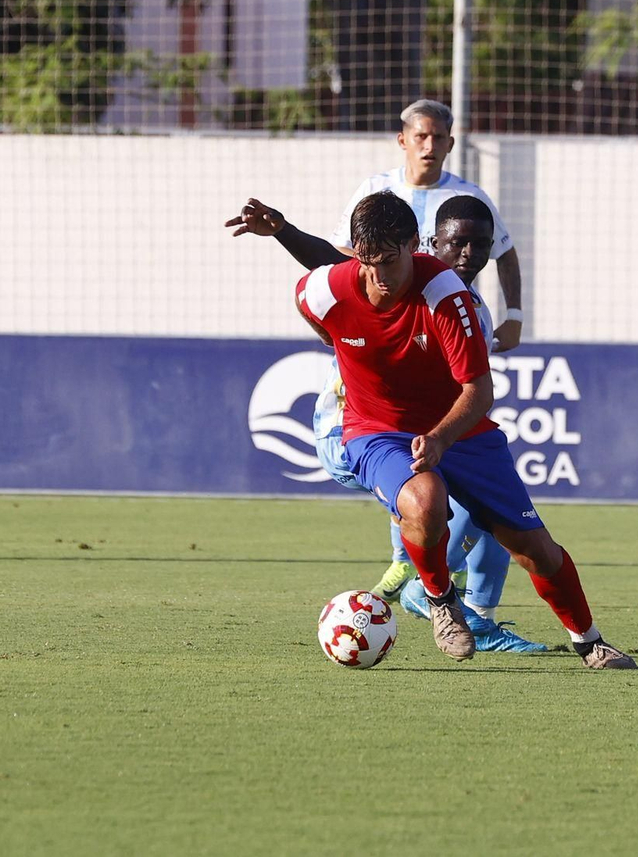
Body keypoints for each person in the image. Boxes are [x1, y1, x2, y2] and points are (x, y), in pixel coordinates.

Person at [293, 191, 633, 667]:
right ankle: (441, 600)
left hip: (460, 429)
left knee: (535, 549)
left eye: (390, 261)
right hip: (377, 430)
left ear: (415, 244)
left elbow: (479, 392)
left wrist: (440, 438)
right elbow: (314, 311)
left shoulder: (448, 297)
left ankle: (588, 639)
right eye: (367, 262)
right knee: (425, 500)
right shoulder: (325, 289)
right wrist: (350, 349)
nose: (378, 276)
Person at [227, 194, 548, 653]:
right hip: (352, 429)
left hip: (405, 431)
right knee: (442, 498)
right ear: (428, 244)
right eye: (457, 244)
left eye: (481, 245)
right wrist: (284, 233)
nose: (469, 255)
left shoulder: (465, 307)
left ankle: (447, 595)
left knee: (495, 511)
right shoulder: (399, 279)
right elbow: (337, 267)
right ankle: (426, 585)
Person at [331, 99, 525, 599]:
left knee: (465, 481)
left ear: (451, 142)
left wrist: (516, 316)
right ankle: (418, 571)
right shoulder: (375, 191)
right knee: (412, 468)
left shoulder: (467, 195)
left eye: (439, 137)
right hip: (390, 342)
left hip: (449, 332)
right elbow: (340, 263)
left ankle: (440, 586)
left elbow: (503, 252)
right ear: (403, 139)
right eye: (421, 136)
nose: (430, 145)